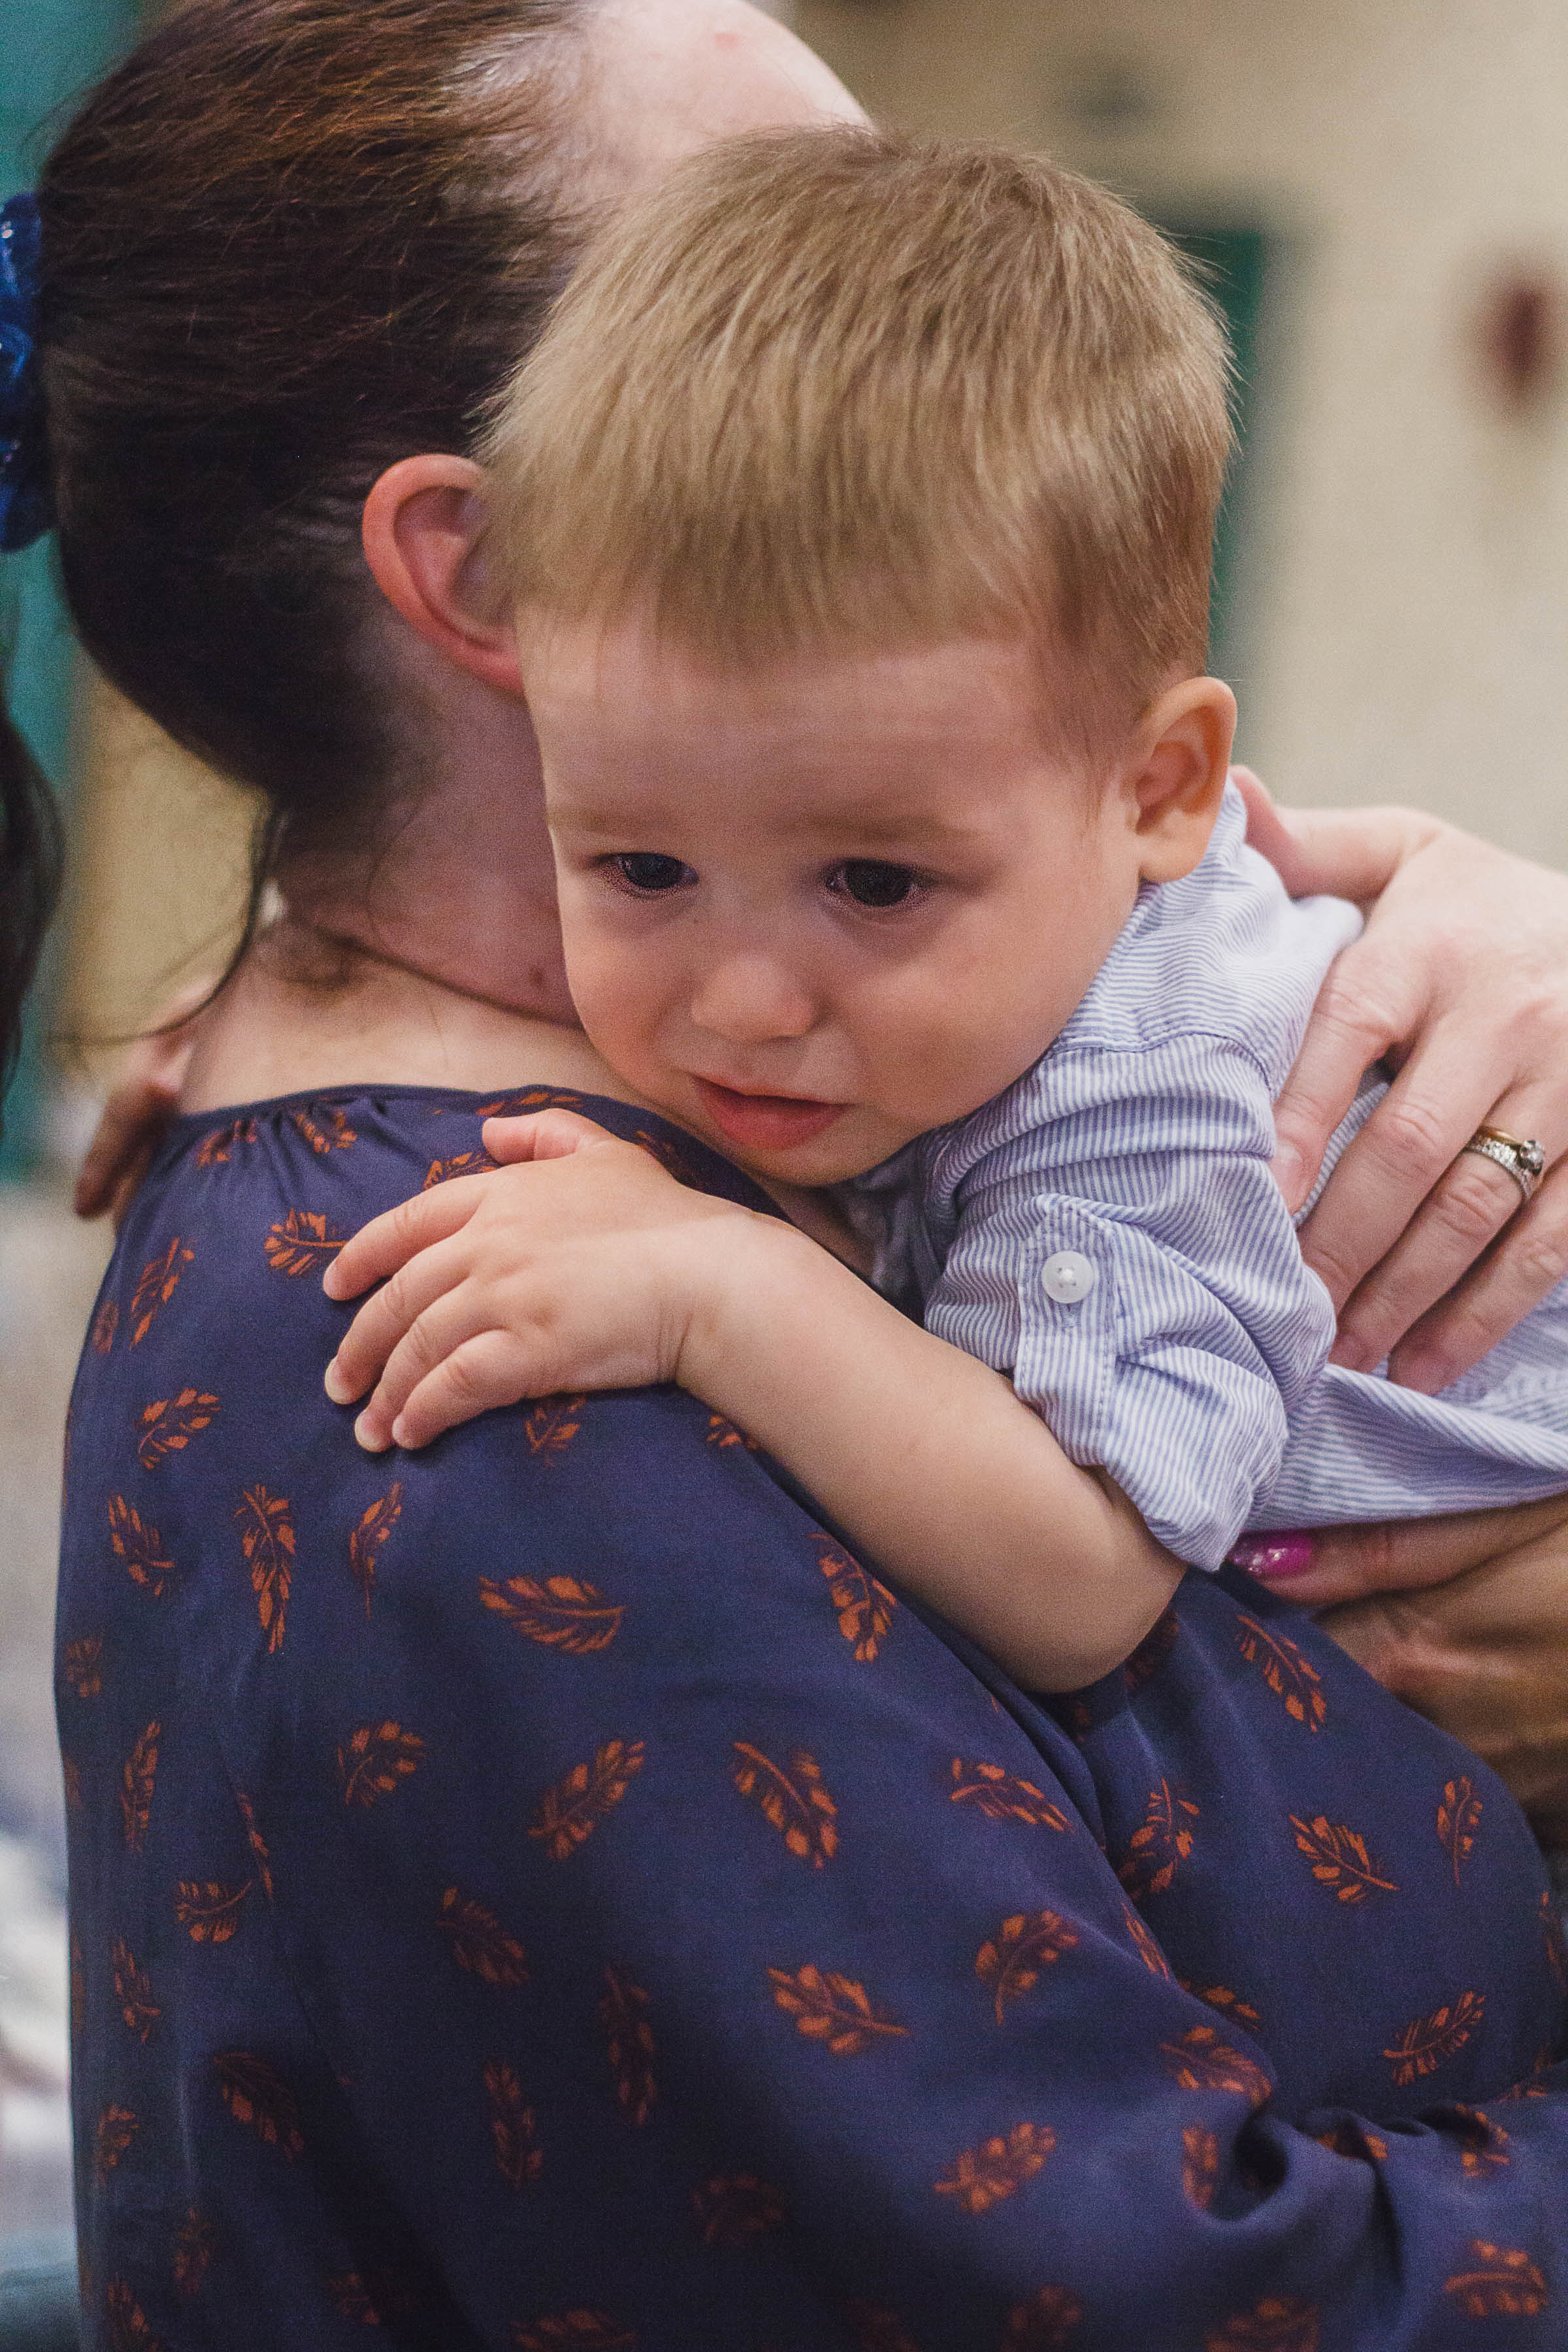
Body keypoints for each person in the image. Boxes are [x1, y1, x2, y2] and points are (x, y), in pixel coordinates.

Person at [7, 2, 1568, 2345]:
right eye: (785, 261)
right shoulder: (513, 1352)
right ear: (494, 567)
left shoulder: (859, 1131)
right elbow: (1166, 2294)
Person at [321, 128, 1568, 1707]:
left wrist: (721, 1290)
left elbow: (1083, 1579)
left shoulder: (1148, 1089)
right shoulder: (994, 927)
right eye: (641, 871)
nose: (749, 1002)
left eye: (876, 885)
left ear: (1161, 791)